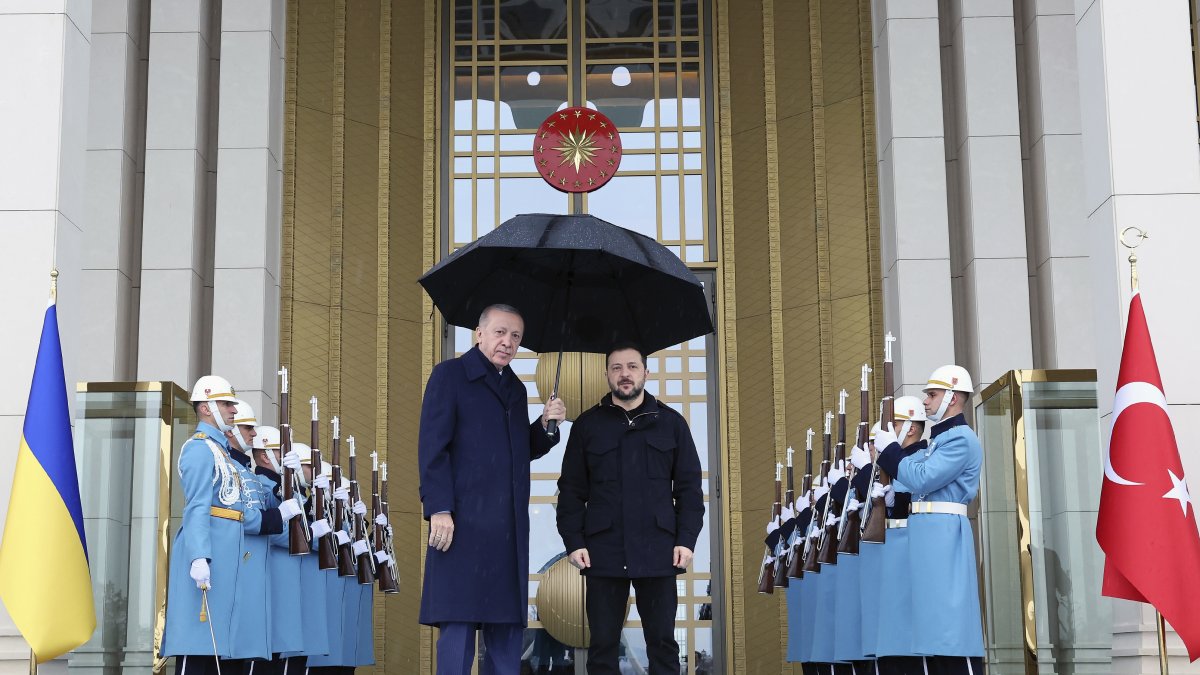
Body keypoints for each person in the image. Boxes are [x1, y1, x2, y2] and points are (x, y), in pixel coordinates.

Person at [418, 303, 566, 675]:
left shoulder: (515, 389)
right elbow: (432, 449)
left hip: (506, 530)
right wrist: (439, 508)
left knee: (505, 635)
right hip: (461, 525)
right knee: (457, 628)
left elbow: (514, 451)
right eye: (500, 332)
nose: (508, 342)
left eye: (516, 336)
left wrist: (543, 427)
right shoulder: (449, 376)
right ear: (479, 333)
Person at [556, 342, 704, 675]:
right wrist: (574, 541)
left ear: (645, 373)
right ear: (607, 374)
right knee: (603, 646)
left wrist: (686, 539)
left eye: (632, 367)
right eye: (617, 368)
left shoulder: (671, 424)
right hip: (603, 551)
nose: (625, 374)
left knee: (663, 644)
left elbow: (690, 490)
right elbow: (571, 491)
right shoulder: (587, 426)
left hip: (659, 549)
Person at [161, 378, 304, 675]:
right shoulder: (199, 449)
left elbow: (243, 511)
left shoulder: (223, 452)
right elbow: (198, 506)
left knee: (222, 652)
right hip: (212, 556)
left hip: (230, 559)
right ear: (206, 408)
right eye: (226, 404)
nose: (232, 410)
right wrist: (198, 555)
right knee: (200, 649)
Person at [874, 367, 985, 675]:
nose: (926, 400)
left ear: (953, 397)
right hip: (927, 534)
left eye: (932, 394)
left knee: (948, 627)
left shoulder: (961, 439)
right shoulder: (942, 440)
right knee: (929, 629)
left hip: (943, 534)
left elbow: (923, 478)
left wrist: (890, 452)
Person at [861, 397, 928, 675]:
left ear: (911, 428)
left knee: (909, 650)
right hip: (889, 565)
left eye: (896, 424)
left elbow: (916, 501)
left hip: (910, 561)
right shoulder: (894, 464)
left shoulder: (920, 459)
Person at [250, 425, 310, 675]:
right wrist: (312, 537)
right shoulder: (261, 484)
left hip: (286, 577)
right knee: (264, 657)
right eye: (280, 451)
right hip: (269, 572)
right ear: (265, 455)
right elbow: (274, 528)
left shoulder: (282, 484)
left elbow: (302, 520)